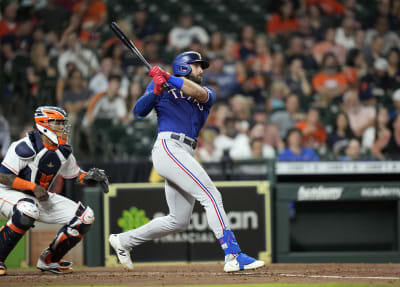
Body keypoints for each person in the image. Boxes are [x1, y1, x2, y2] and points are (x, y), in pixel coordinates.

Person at [109, 51, 264, 272]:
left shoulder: (206, 92)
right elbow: (138, 112)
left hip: (185, 151)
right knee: (211, 195)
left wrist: (168, 78)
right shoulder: (161, 87)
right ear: (183, 67)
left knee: (178, 220)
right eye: (197, 66)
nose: (201, 70)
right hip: (169, 146)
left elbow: (199, 94)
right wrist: (155, 89)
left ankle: (124, 241)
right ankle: (233, 255)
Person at [0, 106, 109, 276]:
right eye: (57, 123)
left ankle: (49, 260)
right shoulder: (24, 145)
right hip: (6, 192)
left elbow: (74, 175)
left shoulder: (63, 150)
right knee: (28, 209)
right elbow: (4, 177)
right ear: (43, 124)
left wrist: (90, 175)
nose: (62, 127)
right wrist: (33, 187)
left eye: (62, 123)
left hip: (36, 196)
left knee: (85, 216)